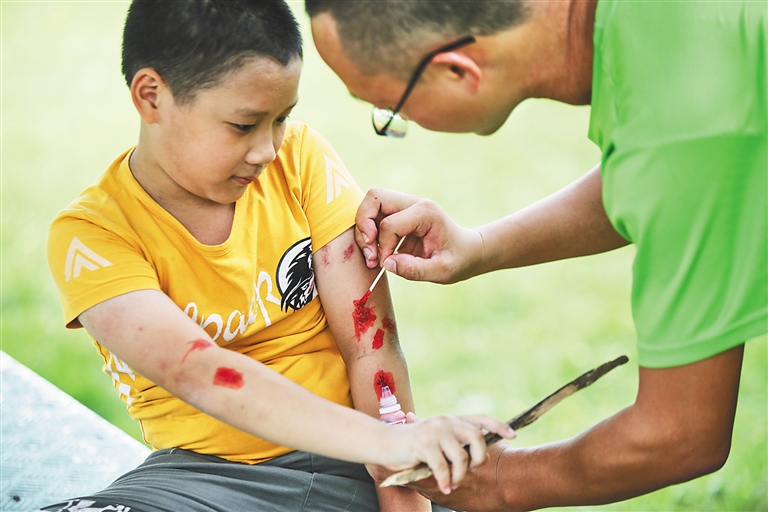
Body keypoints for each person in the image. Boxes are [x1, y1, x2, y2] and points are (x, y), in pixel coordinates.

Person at [41, 1, 515, 511]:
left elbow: (370, 346)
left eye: (281, 118)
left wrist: (400, 490)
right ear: (151, 96)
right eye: (244, 125)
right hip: (203, 478)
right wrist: (389, 443)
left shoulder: (300, 160)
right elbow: (196, 370)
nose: (268, 149)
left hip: (354, 455)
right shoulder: (91, 234)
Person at [306, 0, 767, 510]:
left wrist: (503, 480)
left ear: (458, 70)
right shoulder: (648, 31)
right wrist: (479, 247)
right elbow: (661, 181)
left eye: (390, 110)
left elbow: (679, 432)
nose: (398, 121)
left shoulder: (689, 120)